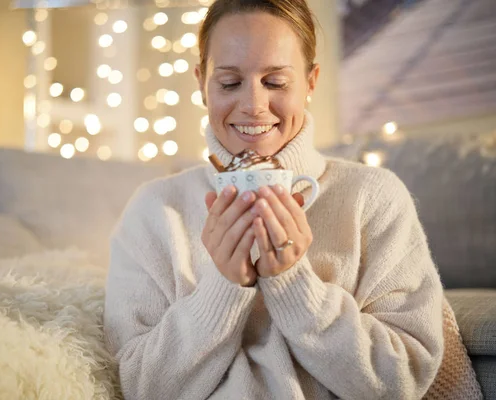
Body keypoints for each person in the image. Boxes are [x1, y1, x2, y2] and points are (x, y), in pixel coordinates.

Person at [104, 0, 459, 398]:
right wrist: (222, 289)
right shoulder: (155, 209)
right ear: (201, 81)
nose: (254, 106)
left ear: (310, 81)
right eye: (229, 83)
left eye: (275, 82)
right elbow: (140, 386)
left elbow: (403, 379)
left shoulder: (373, 197)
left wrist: (294, 285)